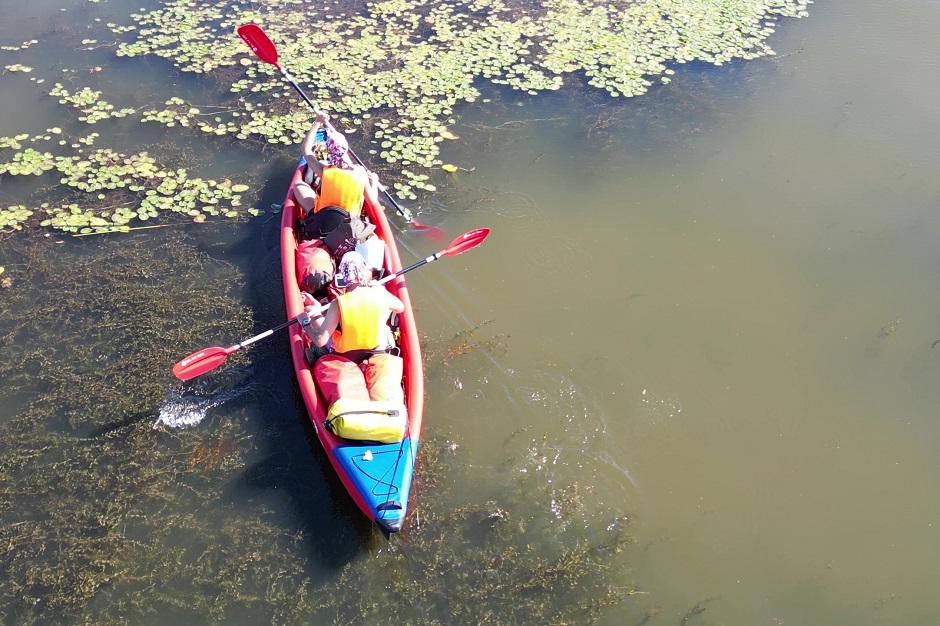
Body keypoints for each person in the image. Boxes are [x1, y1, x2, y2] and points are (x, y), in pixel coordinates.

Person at [298, 252, 404, 404]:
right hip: (375, 349)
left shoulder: (338, 303)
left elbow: (321, 340)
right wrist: (381, 290)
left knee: (312, 314)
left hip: (346, 353)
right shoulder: (379, 293)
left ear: (343, 277)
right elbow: (400, 307)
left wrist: (305, 323)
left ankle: (314, 308)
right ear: (365, 273)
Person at [293, 112, 380, 218]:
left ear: (329, 151)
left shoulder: (325, 171)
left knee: (298, 185)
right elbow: (372, 200)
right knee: (360, 194)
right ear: (346, 149)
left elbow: (306, 150)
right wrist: (374, 181)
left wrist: (317, 122)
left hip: (322, 222)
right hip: (350, 224)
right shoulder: (361, 172)